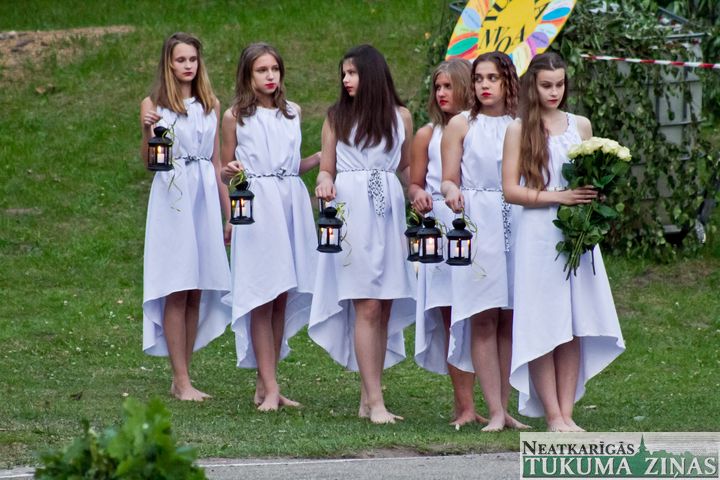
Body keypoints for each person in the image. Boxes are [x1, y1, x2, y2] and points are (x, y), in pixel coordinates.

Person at [502, 52, 625, 432]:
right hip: (538, 233)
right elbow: (510, 190)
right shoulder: (519, 129)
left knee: (574, 322)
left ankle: (567, 414)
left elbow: (590, 177)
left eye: (559, 84)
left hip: (576, 233)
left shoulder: (580, 125)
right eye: (546, 85)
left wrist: (594, 196)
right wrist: (559, 197)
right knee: (543, 322)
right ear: (532, 86)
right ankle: (552, 415)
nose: (554, 92)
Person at [310, 44, 416, 424]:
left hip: (388, 214)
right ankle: (376, 400)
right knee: (367, 304)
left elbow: (406, 166)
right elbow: (327, 167)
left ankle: (368, 397)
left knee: (384, 304)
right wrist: (324, 182)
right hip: (353, 210)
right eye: (343, 74)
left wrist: (418, 190)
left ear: (371, 74)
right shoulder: (337, 117)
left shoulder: (401, 117)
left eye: (352, 73)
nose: (345, 80)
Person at [220, 43, 319, 412]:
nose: (270, 76)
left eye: (275, 69)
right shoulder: (235, 117)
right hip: (257, 206)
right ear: (248, 75)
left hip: (290, 204)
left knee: (281, 295)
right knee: (262, 293)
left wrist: (320, 158)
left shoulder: (292, 112)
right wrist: (230, 175)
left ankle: (267, 384)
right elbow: (225, 170)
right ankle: (271, 386)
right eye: (262, 70)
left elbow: (291, 166)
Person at [140, 32, 231, 402]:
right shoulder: (154, 104)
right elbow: (150, 161)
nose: (188, 66)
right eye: (181, 60)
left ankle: (184, 375)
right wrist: (147, 130)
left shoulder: (211, 104)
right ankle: (180, 379)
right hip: (173, 196)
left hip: (203, 195)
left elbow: (217, 163)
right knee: (177, 286)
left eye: (193, 59)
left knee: (197, 287)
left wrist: (228, 215)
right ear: (169, 63)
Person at [441, 51, 527, 432]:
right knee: (484, 315)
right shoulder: (462, 124)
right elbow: (447, 178)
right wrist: (451, 192)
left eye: (493, 78)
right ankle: (492, 410)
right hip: (478, 220)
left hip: (517, 219)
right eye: (478, 79)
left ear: (508, 82)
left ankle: (505, 408)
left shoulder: (521, 125)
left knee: (509, 316)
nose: (484, 85)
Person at [409, 59, 488, 427]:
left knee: (483, 312)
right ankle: (464, 405)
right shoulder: (427, 134)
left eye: (448, 86)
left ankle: (493, 403)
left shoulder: (483, 128)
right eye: (437, 87)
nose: (441, 93)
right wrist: (418, 196)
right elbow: (415, 182)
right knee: (450, 313)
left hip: (478, 222)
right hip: (441, 227)